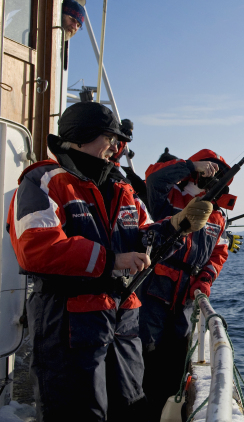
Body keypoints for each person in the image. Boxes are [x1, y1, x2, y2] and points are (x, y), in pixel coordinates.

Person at [6, 102, 213, 422]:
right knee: (77, 412)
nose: (116, 146)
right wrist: (111, 260)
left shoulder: (122, 188)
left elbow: (143, 238)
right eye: (109, 137)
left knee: (132, 409)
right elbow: (36, 246)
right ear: (81, 137)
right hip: (68, 325)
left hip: (123, 323)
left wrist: (176, 227)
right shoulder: (43, 181)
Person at [138, 149, 237, 419]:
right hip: (152, 294)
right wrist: (191, 164)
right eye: (210, 170)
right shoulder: (169, 197)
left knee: (175, 365)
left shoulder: (217, 216)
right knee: (145, 359)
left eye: (220, 175)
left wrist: (205, 280)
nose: (214, 177)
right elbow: (154, 179)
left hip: (185, 302)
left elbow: (220, 252)